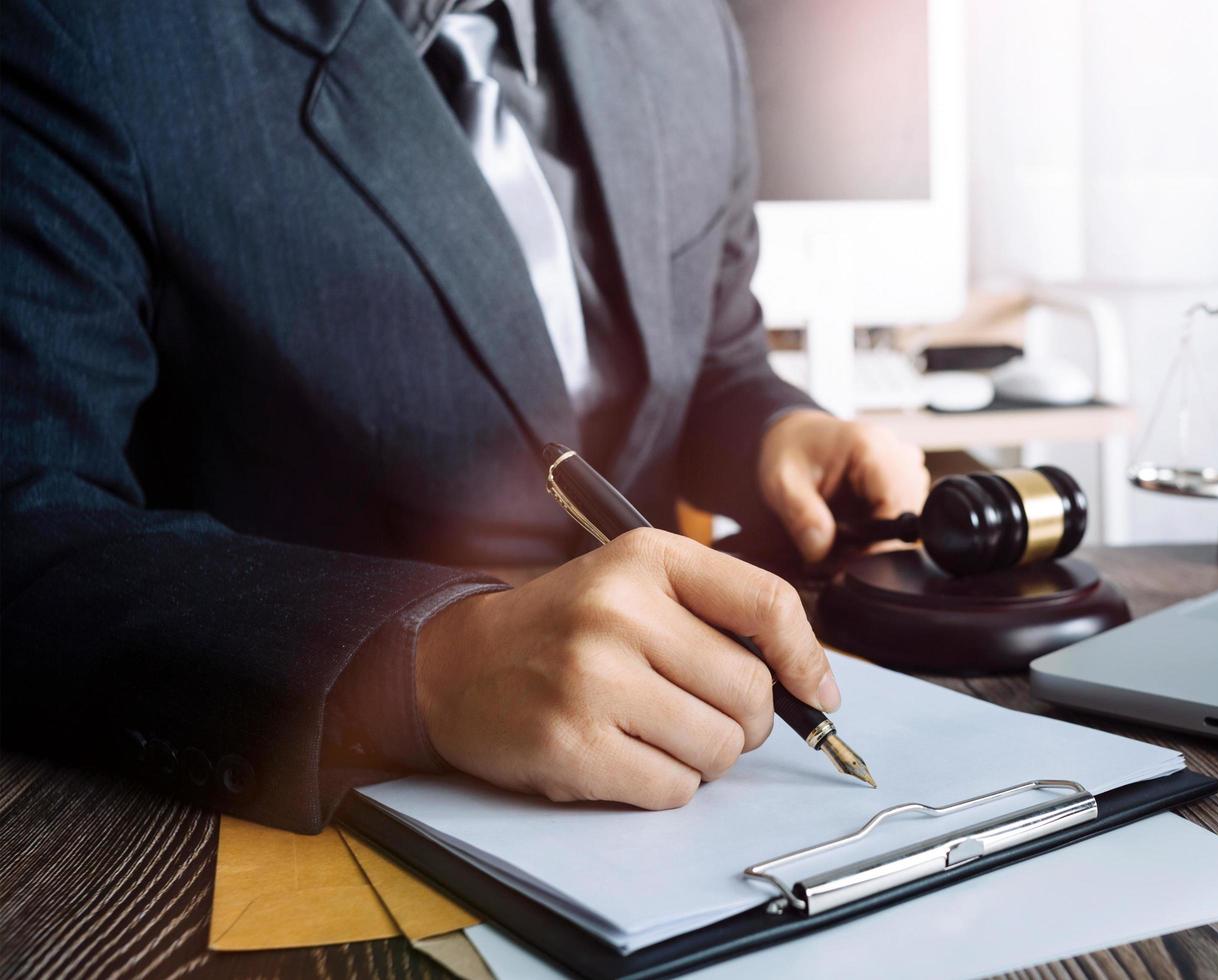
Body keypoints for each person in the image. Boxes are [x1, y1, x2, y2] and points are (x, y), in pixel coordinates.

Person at [0, 0, 929, 832]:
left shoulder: (684, 26)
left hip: (676, 804)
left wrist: (775, 430)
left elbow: (711, 361)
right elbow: (30, 523)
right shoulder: (85, 35)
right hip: (305, 804)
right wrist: (430, 661)